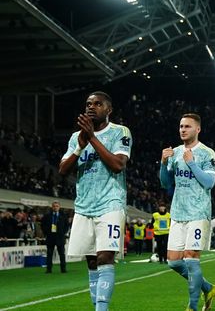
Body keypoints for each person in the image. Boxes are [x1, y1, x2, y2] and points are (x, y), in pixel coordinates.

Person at [58, 91, 132, 311]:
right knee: (91, 261)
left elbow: (118, 164)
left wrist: (92, 138)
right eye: (88, 104)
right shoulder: (75, 137)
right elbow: (62, 170)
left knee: (105, 256)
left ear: (108, 109)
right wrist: (81, 145)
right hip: (84, 206)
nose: (91, 107)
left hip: (111, 203)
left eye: (98, 104)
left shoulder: (120, 132)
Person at [160, 113, 215, 311]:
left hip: (198, 212)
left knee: (191, 258)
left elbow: (209, 183)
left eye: (187, 126)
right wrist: (163, 164)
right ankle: (208, 287)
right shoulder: (175, 152)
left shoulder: (207, 153)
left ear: (198, 129)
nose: (183, 129)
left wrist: (192, 163)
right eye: (180, 126)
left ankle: (192, 307)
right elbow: (166, 183)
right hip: (178, 212)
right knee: (174, 262)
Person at [42, 201, 69, 273]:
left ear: (59, 207)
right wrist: (46, 233)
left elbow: (67, 226)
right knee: (49, 254)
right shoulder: (47, 216)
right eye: (54, 206)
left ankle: (63, 269)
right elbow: (43, 225)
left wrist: (63, 233)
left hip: (60, 237)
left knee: (62, 254)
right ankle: (49, 269)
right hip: (50, 237)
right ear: (52, 207)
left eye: (57, 206)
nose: (55, 207)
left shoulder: (63, 216)